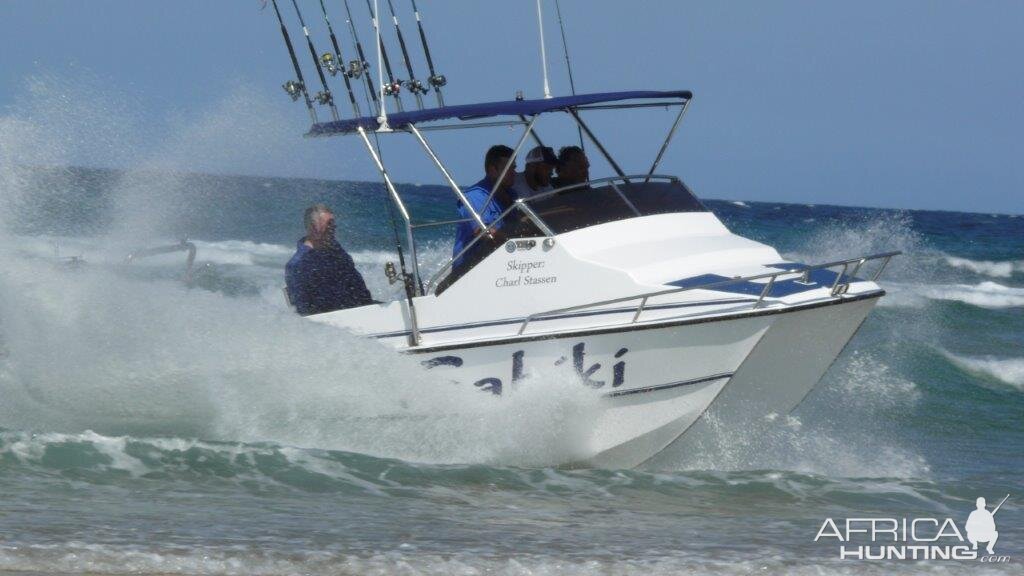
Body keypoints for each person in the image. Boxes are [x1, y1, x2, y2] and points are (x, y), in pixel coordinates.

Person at [285, 204, 373, 316]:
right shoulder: (298, 265)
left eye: (333, 224)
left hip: (364, 311)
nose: (334, 228)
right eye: (329, 224)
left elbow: (357, 285)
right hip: (335, 322)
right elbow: (303, 312)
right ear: (313, 227)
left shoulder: (335, 249)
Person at [451, 145, 517, 273]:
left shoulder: (512, 195)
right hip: (470, 270)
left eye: (514, 168)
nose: (514, 173)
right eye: (508, 168)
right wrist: (514, 242)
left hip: (504, 264)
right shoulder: (473, 196)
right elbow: (481, 231)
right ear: (493, 170)